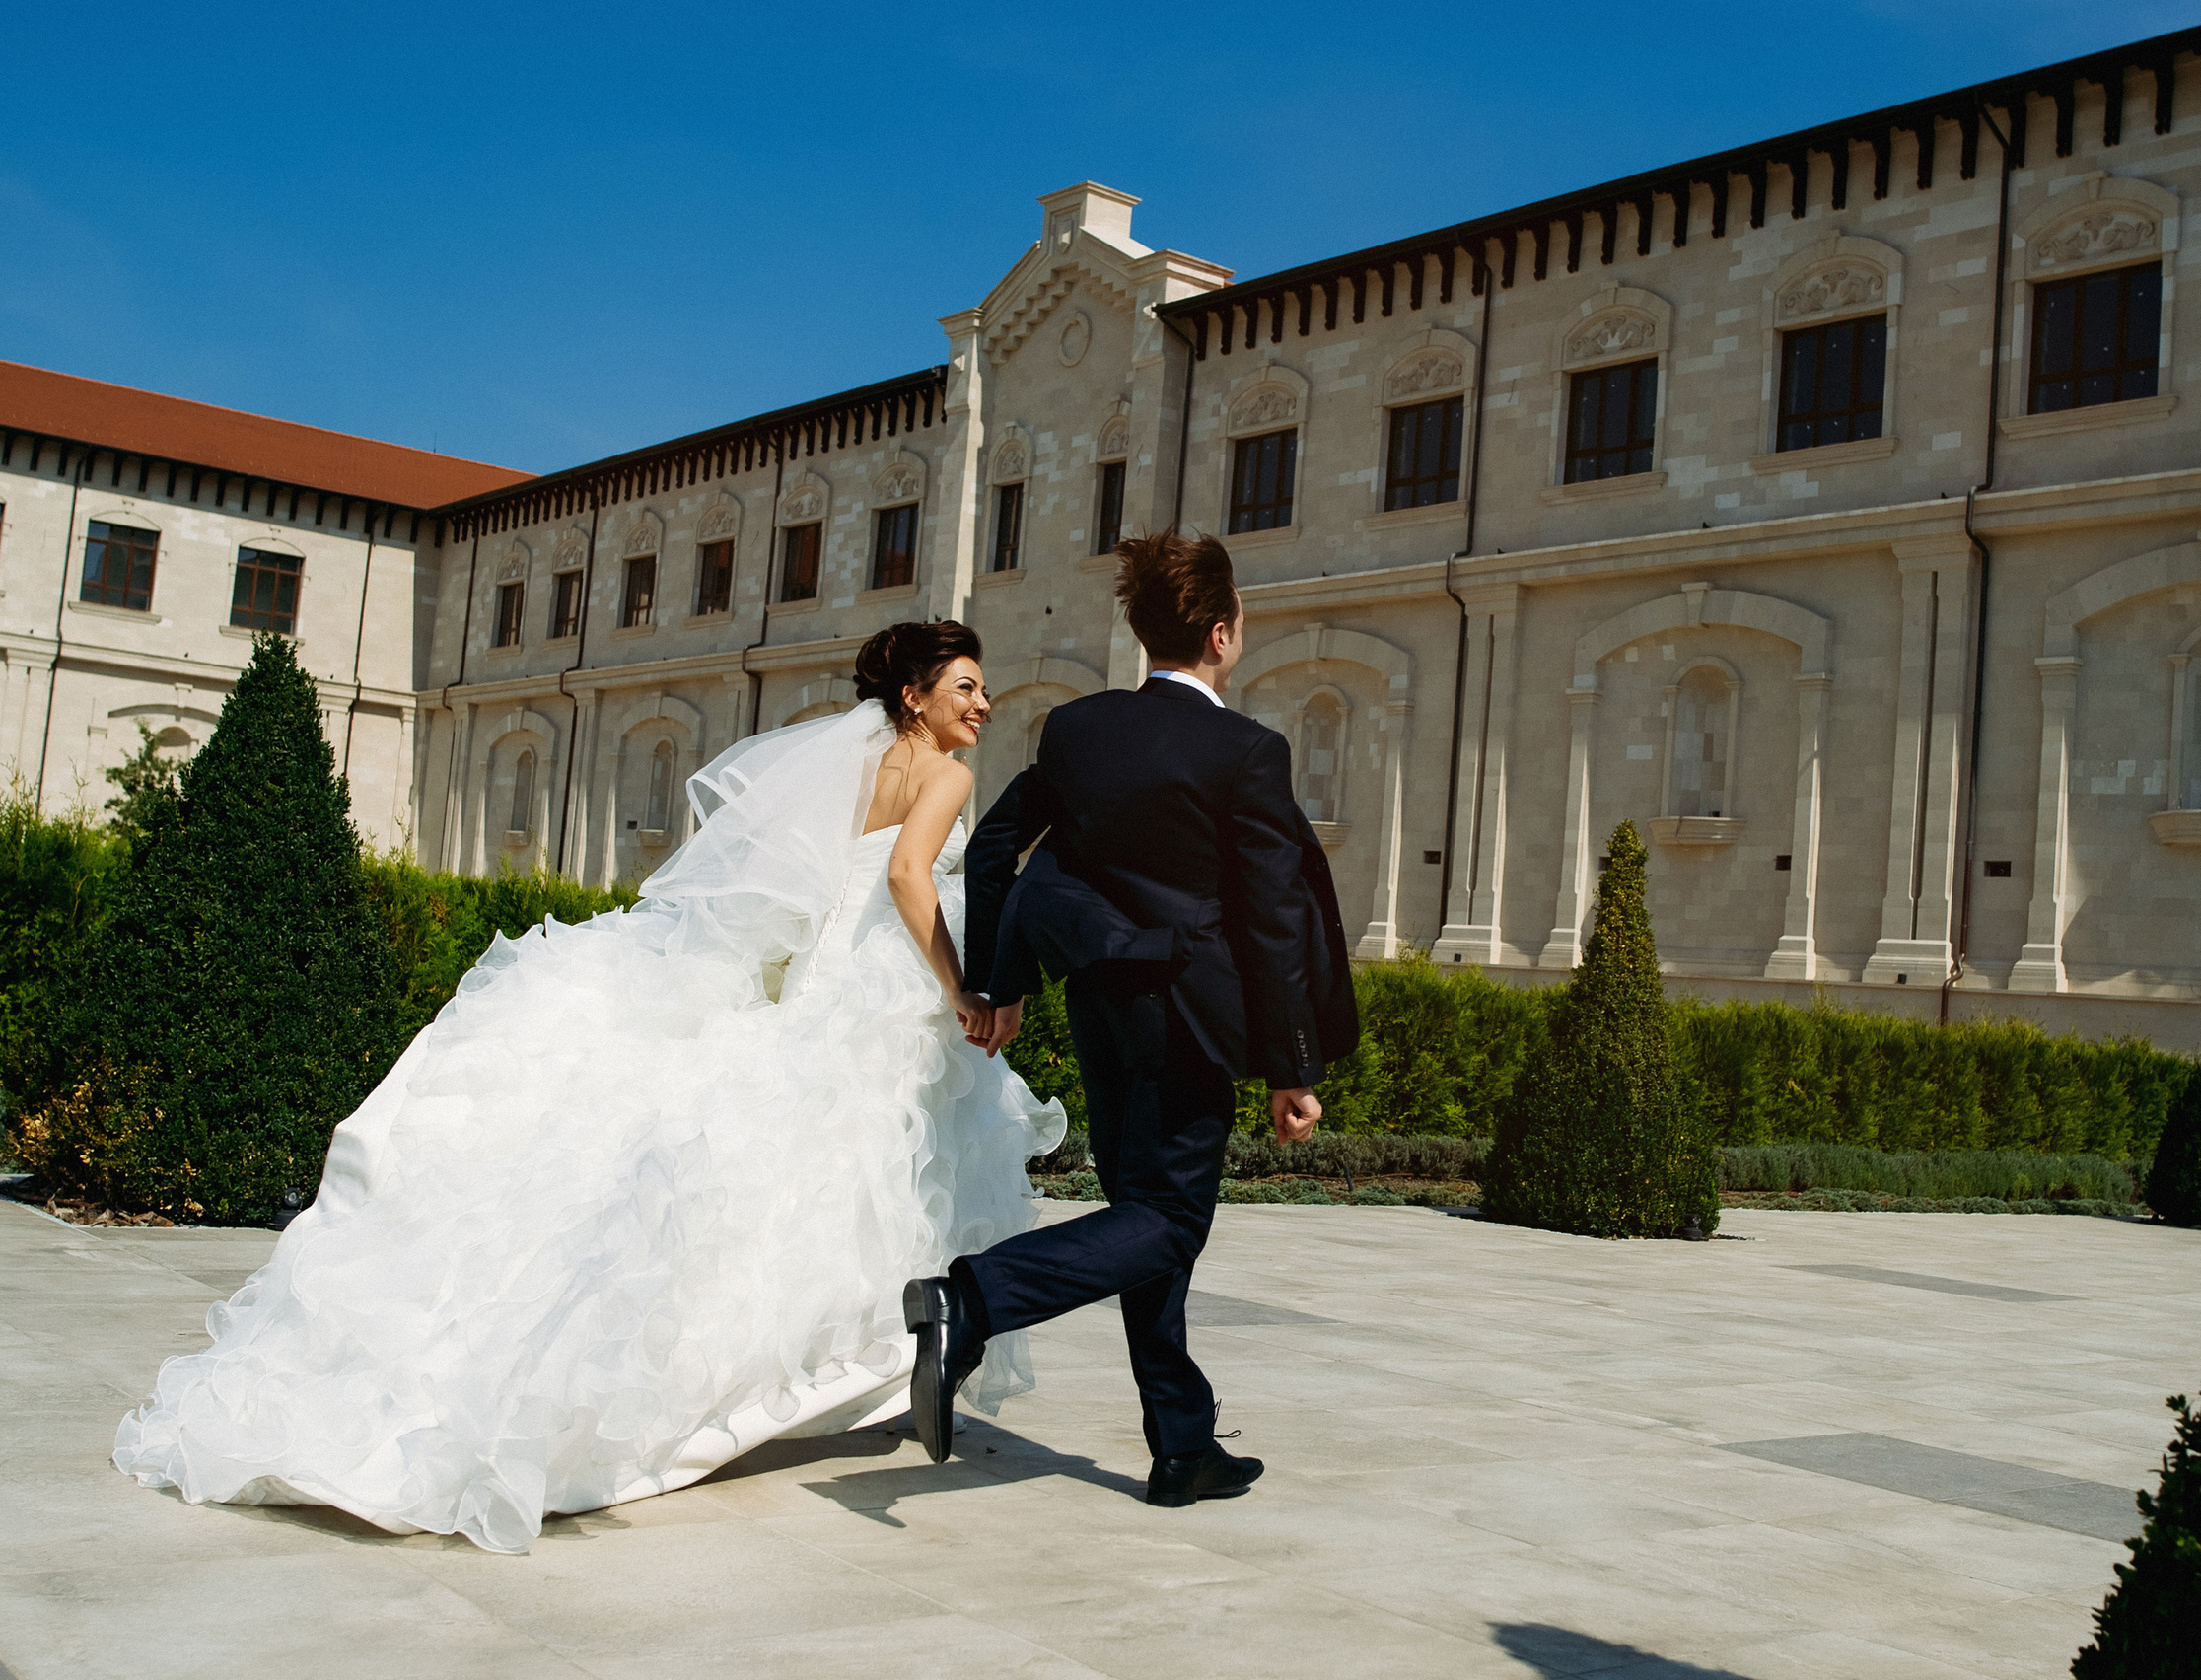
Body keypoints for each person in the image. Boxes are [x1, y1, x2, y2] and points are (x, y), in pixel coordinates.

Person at [113, 621, 1064, 1554]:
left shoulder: (850, 770)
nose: (982, 704)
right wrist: (963, 986)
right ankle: (833, 1369)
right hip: (887, 998)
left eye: (981, 689)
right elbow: (908, 877)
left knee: (829, 1176)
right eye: (966, 687)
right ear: (915, 696)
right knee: (875, 1175)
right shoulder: (947, 775)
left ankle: (862, 1366)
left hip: (824, 985)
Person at [907, 530, 1359, 1507]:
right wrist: (1293, 1067)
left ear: (1146, 630)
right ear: (1222, 634)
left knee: (1143, 1215)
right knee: (1165, 1220)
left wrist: (998, 983)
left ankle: (1182, 1443)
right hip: (1192, 1015)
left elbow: (993, 849)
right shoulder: (1245, 750)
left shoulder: (1082, 731)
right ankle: (969, 1301)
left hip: (1099, 1004)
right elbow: (1275, 919)